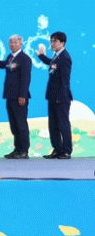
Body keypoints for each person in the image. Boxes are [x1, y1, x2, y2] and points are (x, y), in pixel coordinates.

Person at [0, 34, 32, 159]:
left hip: (19, 97)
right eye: (11, 42)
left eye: (15, 42)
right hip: (10, 95)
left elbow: (26, 78)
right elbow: (2, 64)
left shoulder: (24, 58)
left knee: (21, 124)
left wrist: (22, 95)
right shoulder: (11, 57)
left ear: (21, 44)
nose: (13, 45)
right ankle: (17, 149)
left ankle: (24, 150)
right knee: (14, 124)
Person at [37, 31, 73, 159]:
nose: (52, 44)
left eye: (55, 41)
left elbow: (65, 80)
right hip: (52, 96)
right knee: (53, 125)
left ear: (62, 43)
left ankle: (67, 151)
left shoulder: (65, 57)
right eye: (51, 41)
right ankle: (57, 149)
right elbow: (51, 64)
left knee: (63, 125)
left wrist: (60, 96)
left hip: (61, 97)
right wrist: (41, 56)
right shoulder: (56, 56)